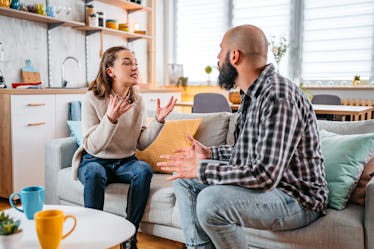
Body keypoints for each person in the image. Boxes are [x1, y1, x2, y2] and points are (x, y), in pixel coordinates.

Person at [157, 24, 328, 249]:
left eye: (221, 50)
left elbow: (265, 174)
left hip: (296, 198)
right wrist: (209, 153)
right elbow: (250, 153)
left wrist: (200, 168)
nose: (218, 58)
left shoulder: (278, 96)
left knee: (211, 202)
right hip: (272, 188)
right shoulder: (251, 95)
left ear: (234, 56)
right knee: (184, 180)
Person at [71, 46, 177, 249]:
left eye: (135, 63)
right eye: (127, 62)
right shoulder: (92, 98)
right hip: (95, 159)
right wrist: (111, 118)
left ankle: (129, 234)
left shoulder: (137, 100)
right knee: (93, 172)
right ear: (110, 71)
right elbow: (92, 146)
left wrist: (158, 121)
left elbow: (141, 143)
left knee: (143, 169)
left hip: (126, 162)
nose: (135, 67)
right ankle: (94, 237)